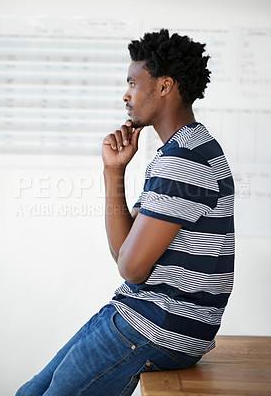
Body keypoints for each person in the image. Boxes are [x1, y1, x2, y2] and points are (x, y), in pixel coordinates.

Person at [16, 29, 235, 396]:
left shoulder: (183, 160)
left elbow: (132, 268)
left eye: (133, 83)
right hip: (149, 317)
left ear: (164, 87)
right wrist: (113, 171)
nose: (126, 94)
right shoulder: (186, 150)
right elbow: (124, 252)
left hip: (156, 324)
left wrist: (130, 267)